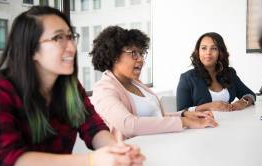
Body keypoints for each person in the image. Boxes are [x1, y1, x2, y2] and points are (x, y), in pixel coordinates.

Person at [0, 6, 144, 166]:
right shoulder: (2, 90)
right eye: (58, 38)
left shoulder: (70, 86)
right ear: (31, 49)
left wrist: (118, 152)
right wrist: (92, 161)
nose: (72, 47)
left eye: (70, 36)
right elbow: (11, 158)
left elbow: (93, 127)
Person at [89, 26, 218, 140]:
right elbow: (130, 125)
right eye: (133, 53)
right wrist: (184, 121)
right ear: (114, 56)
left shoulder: (136, 83)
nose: (140, 60)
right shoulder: (104, 89)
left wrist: (185, 114)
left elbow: (155, 116)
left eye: (141, 53)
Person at [176, 32, 255, 112]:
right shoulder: (187, 78)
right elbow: (181, 112)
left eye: (214, 48)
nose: (208, 53)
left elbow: (251, 95)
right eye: (204, 48)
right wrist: (209, 106)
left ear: (220, 52)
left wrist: (244, 102)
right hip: (203, 123)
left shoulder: (229, 73)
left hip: (231, 122)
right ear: (198, 51)